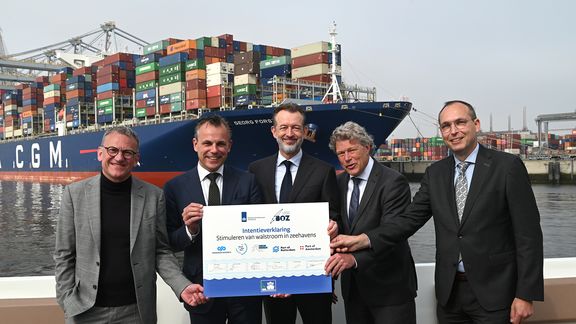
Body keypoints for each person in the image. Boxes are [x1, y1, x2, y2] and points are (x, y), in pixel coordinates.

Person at [331, 100, 544, 324]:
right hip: (450, 295)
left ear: (476, 124)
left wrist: (525, 294)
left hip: (496, 292)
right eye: (446, 126)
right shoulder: (436, 173)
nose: (453, 131)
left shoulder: (508, 167)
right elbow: (409, 220)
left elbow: (528, 235)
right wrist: (365, 239)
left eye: (460, 122)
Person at [54, 126, 206, 324]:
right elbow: (64, 253)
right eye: (113, 150)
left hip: (136, 311)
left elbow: (161, 251)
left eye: (128, 152)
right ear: (100, 153)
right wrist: (67, 300)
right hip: (85, 310)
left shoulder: (154, 196)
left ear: (136, 159)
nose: (119, 157)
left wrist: (182, 286)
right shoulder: (74, 194)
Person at [163, 114, 262, 324]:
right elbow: (170, 242)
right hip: (200, 289)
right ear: (195, 144)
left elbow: (261, 233)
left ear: (230, 146)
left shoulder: (248, 181)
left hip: (244, 288)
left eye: (220, 144)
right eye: (207, 143)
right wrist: (190, 229)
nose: (214, 150)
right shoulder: (174, 187)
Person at [248, 103, 339, 324]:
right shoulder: (255, 170)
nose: (289, 134)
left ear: (305, 131)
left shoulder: (323, 170)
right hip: (272, 278)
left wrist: (335, 225)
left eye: (296, 128)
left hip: (313, 277)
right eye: (284, 127)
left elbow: (335, 214)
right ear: (274, 131)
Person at [324, 121, 417, 324]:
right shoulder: (338, 183)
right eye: (341, 154)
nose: (347, 159)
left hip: (391, 291)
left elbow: (392, 232)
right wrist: (333, 228)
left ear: (367, 147)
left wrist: (354, 259)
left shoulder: (393, 182)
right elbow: (339, 222)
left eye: (352, 150)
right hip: (354, 291)